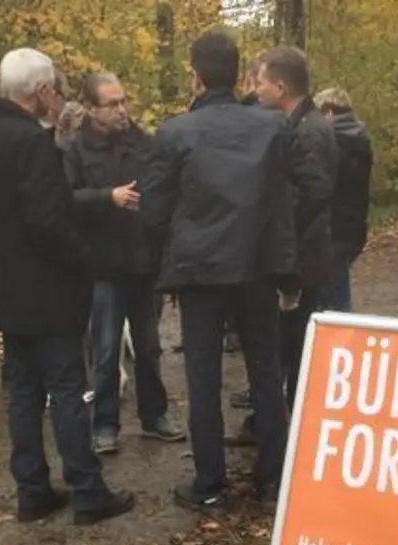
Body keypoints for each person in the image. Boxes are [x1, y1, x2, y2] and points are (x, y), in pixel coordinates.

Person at [0, 47, 135, 526]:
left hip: (5, 287)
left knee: (24, 391)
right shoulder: (32, 144)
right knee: (67, 389)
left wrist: (3, 244)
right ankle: (87, 490)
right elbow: (47, 220)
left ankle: (32, 489)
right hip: (50, 288)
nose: (55, 96)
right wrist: (84, 260)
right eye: (53, 87)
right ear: (40, 92)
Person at [139, 29, 296, 513]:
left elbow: (155, 211)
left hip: (201, 273)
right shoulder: (272, 127)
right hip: (256, 270)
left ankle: (210, 485)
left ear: (197, 75)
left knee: (203, 376)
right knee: (266, 373)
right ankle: (272, 482)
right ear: (237, 71)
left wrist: (156, 269)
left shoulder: (176, 132)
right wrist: (287, 272)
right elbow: (283, 205)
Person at [63, 72, 185, 455]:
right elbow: (65, 201)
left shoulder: (143, 142)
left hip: (144, 260)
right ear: (92, 109)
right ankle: (105, 425)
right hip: (103, 265)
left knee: (149, 347)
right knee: (106, 350)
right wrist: (106, 197)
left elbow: (164, 187)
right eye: (112, 104)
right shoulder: (75, 150)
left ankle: (155, 416)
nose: (122, 110)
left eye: (123, 101)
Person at [244, 46, 336, 437]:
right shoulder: (299, 123)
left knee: (296, 347)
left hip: (301, 260)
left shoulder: (308, 129)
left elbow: (312, 193)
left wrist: (275, 230)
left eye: (259, 82)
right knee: (287, 346)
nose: (255, 89)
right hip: (299, 255)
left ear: (280, 86)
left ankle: (294, 427)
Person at [315, 86, 373, 314]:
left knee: (335, 298)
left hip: (333, 229)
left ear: (328, 112)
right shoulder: (361, 139)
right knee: (338, 288)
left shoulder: (333, 142)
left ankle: (341, 344)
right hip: (353, 228)